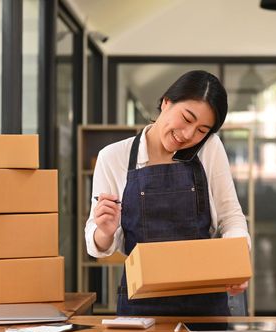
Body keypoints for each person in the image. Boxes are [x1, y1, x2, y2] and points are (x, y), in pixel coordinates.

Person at [84, 70, 250, 316]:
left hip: (204, 302)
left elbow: (231, 216)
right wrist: (105, 231)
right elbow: (97, 245)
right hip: (141, 305)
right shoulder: (113, 157)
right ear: (166, 102)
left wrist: (236, 261)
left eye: (201, 130)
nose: (187, 135)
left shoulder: (210, 149)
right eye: (186, 118)